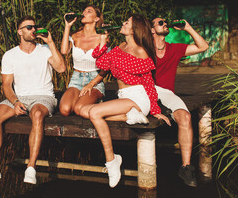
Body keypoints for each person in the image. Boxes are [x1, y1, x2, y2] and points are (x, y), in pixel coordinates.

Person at [80, 14, 171, 188]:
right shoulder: (119, 47)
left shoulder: (141, 51)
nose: (122, 23)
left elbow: (149, 83)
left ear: (134, 29)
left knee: (94, 112)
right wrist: (102, 43)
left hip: (138, 98)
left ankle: (112, 160)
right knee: (84, 111)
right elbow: (102, 64)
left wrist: (155, 110)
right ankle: (129, 116)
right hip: (124, 98)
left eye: (127, 22)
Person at [0, 16, 66, 188]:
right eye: (29, 27)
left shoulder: (45, 49)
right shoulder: (10, 55)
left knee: (37, 114)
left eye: (34, 27)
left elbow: (61, 68)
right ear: (20, 32)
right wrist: (15, 101)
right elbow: (7, 85)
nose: (33, 30)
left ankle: (31, 167)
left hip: (43, 96)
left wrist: (51, 42)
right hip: (20, 97)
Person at [151, 18, 209, 187]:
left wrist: (188, 28)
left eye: (165, 22)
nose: (164, 23)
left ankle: (185, 167)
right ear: (152, 30)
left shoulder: (174, 49)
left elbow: (203, 47)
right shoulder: (145, 48)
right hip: (146, 91)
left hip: (167, 93)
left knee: (185, 116)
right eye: (160, 22)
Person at [59, 5, 107, 117]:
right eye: (84, 10)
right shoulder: (75, 36)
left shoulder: (102, 37)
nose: (84, 13)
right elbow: (64, 51)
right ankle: (84, 99)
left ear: (97, 19)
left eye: (89, 11)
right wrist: (67, 27)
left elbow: (105, 68)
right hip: (76, 78)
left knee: (79, 108)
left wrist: (91, 84)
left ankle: (98, 103)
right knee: (64, 110)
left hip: (95, 79)